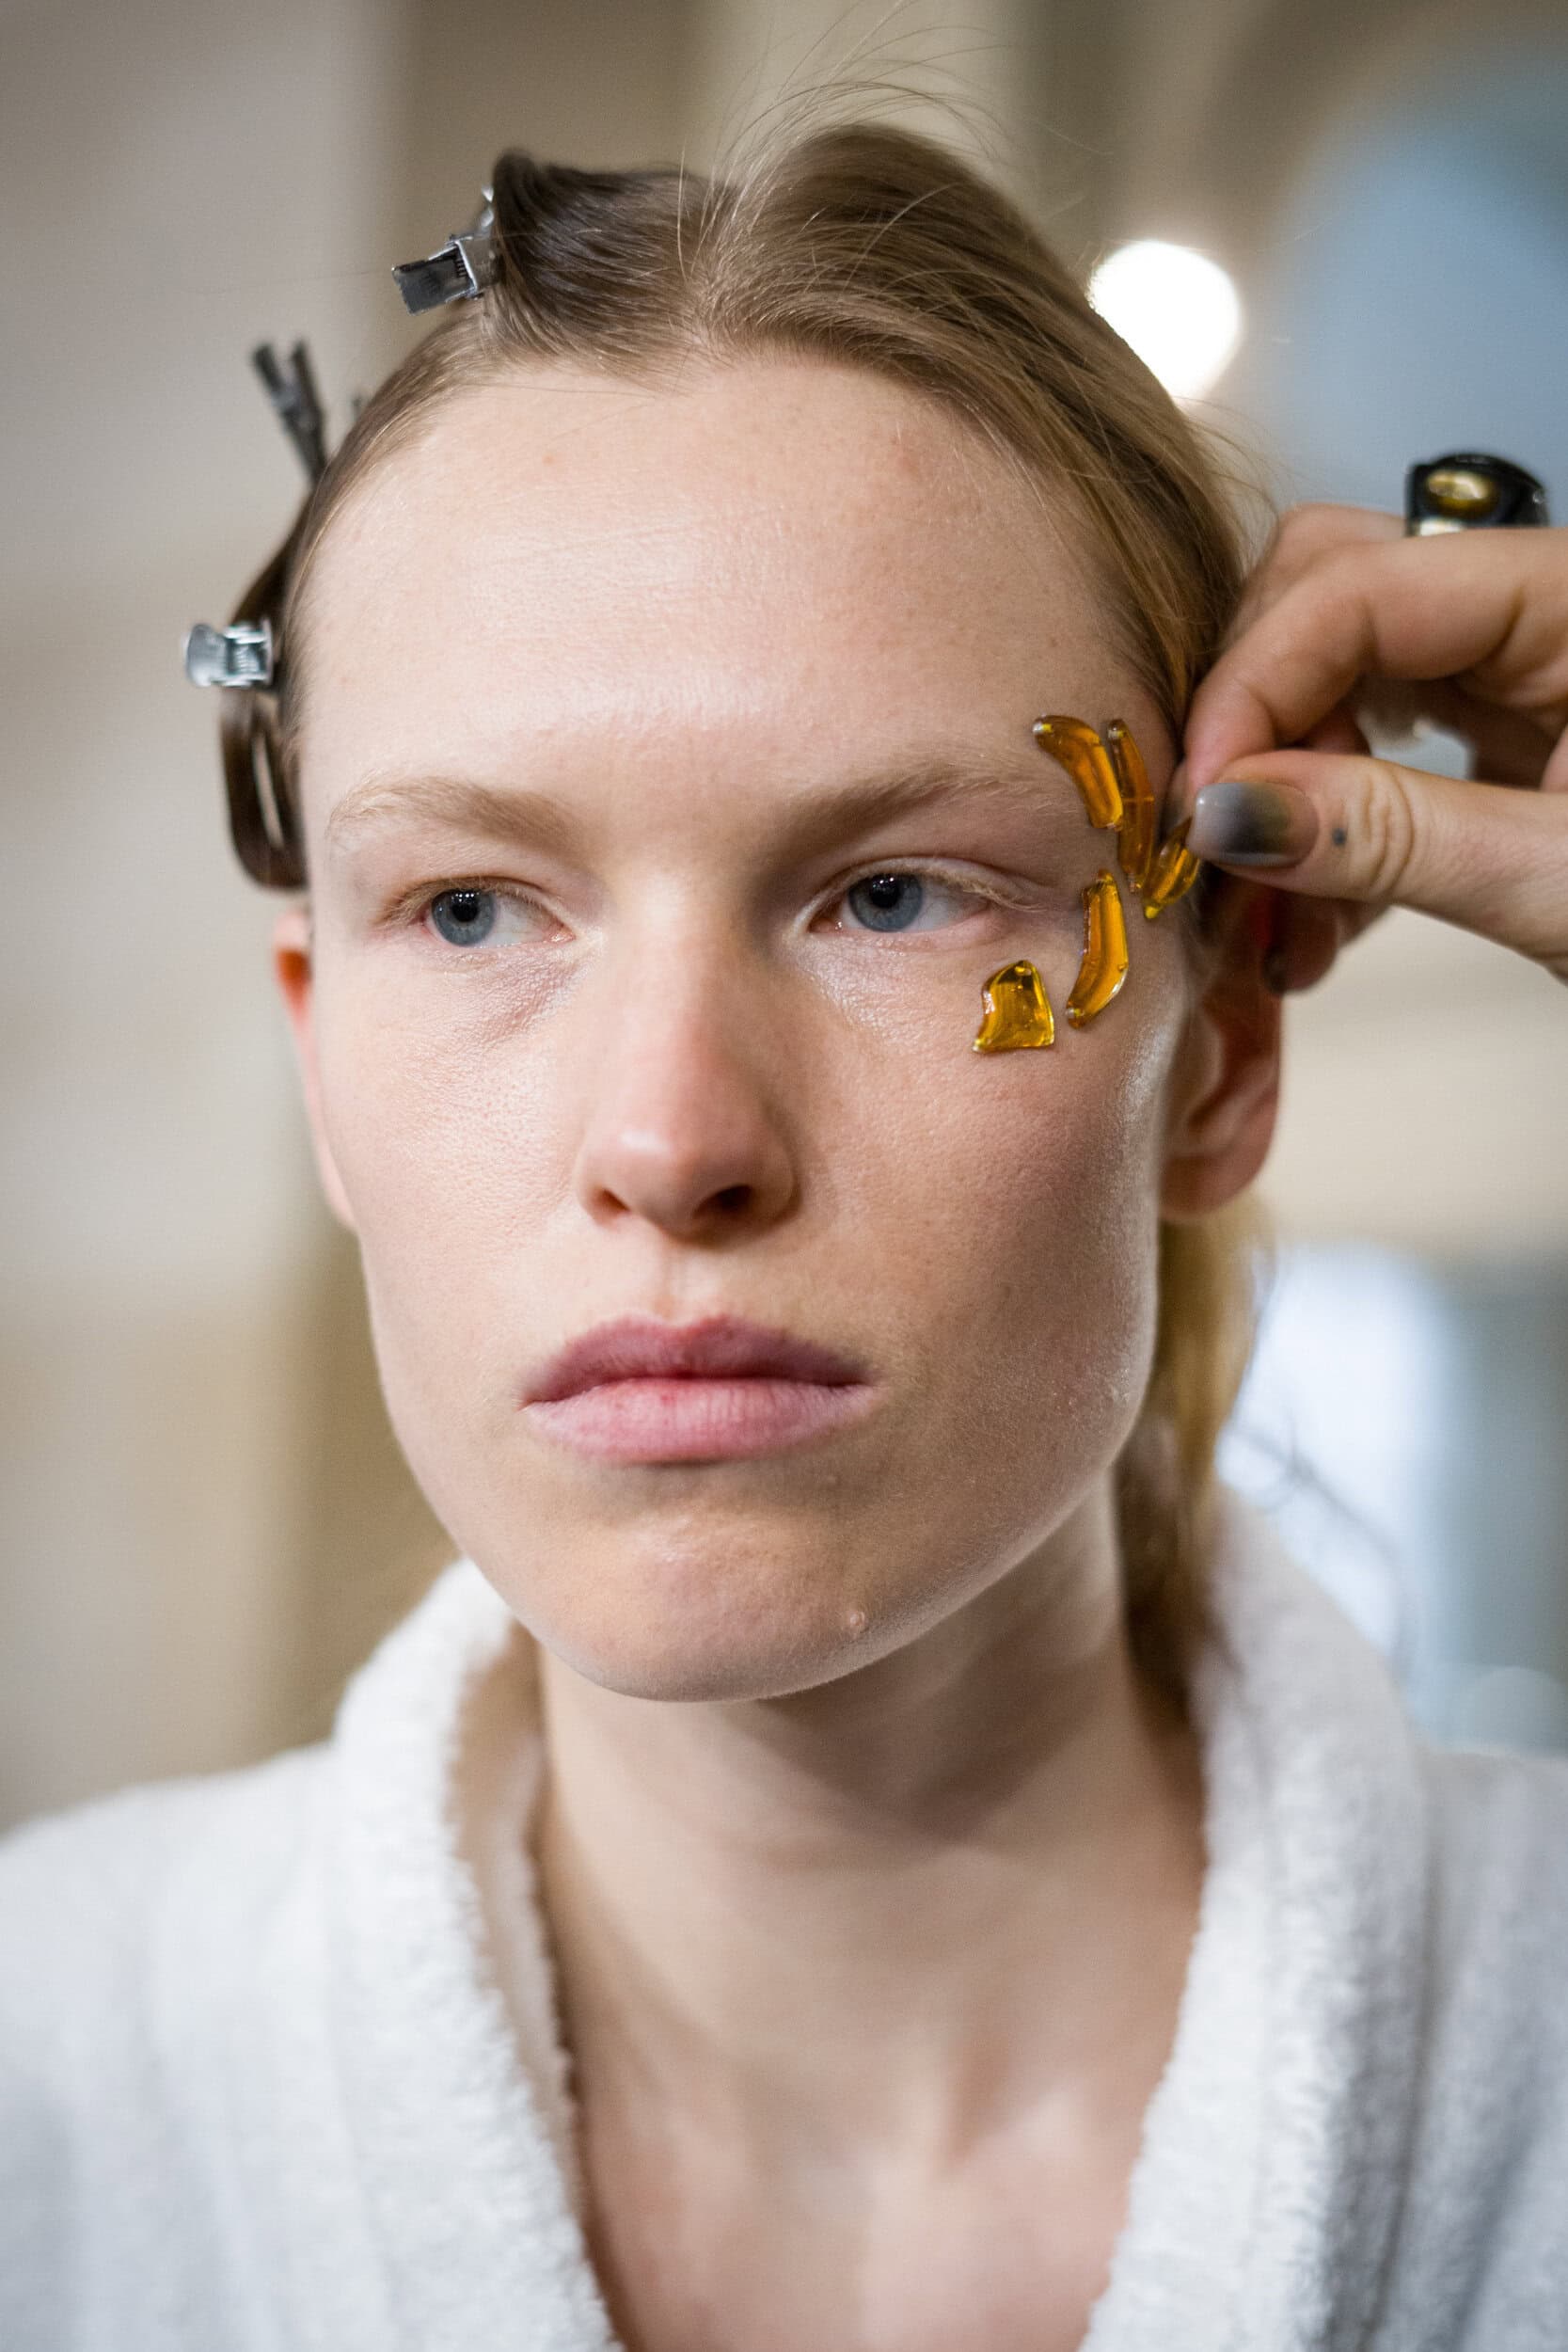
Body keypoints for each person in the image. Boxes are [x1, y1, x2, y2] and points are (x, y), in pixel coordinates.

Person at [1, 118, 1564, 2352]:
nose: (673, 1138)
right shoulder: (47, 2083)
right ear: (319, 1051)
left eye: (893, 893)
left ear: (1222, 1049)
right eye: (474, 909)